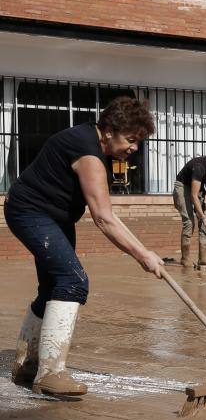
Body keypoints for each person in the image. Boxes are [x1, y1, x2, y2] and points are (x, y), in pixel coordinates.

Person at [4, 97, 163, 396]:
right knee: (73, 281)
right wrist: (143, 256)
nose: (134, 148)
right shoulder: (87, 151)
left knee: (52, 287)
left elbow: (109, 215)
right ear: (109, 130)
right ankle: (50, 374)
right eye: (130, 140)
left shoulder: (92, 143)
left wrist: (146, 252)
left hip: (53, 216)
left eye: (139, 141)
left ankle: (27, 365)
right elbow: (103, 219)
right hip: (30, 211)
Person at [173, 142, 206, 267]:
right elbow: (193, 195)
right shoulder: (199, 166)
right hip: (183, 187)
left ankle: (203, 260)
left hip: (199, 188)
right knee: (189, 222)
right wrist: (202, 216)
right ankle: (185, 259)